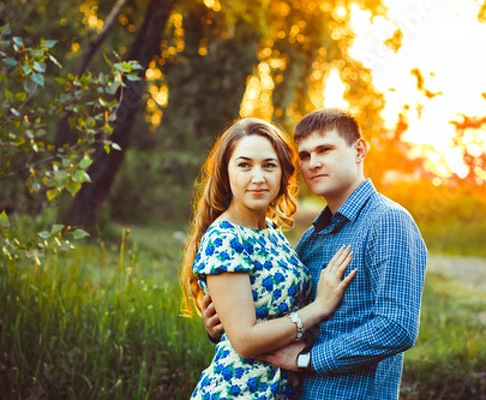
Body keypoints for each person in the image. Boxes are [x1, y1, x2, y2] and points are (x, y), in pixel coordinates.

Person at [204, 108, 428, 399]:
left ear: (359, 150)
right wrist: (223, 327)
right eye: (305, 155)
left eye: (325, 150)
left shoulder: (387, 221)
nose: (313, 163)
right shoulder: (313, 237)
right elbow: (284, 313)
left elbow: (397, 326)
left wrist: (307, 360)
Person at [180, 117, 357, 399]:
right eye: (244, 165)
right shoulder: (226, 237)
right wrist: (319, 307)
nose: (258, 177)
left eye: (269, 165)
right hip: (239, 392)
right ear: (226, 172)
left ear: (283, 173)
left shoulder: (270, 232)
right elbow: (246, 341)